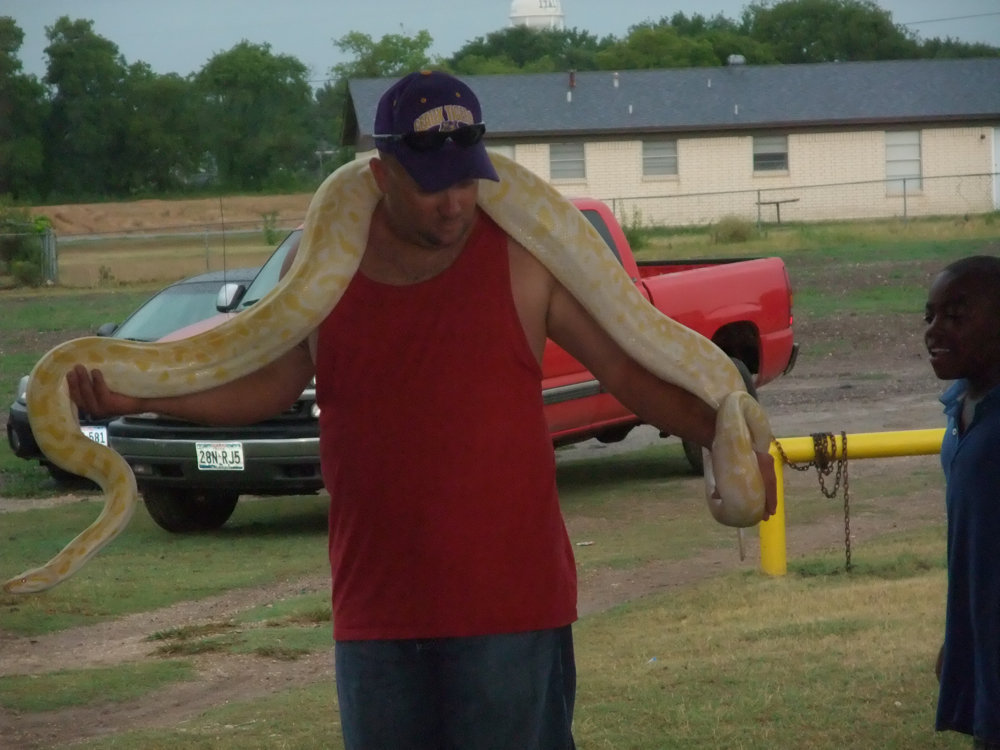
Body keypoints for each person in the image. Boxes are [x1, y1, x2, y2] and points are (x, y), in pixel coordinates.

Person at [67, 70, 777, 749]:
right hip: (376, 612)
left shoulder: (523, 257)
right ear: (380, 174)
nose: (456, 202)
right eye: (434, 185)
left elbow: (624, 366)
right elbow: (272, 383)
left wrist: (725, 430)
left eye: (469, 179)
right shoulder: (319, 272)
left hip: (511, 612)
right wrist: (142, 395)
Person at [925, 255, 1000, 749]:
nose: (934, 330)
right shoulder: (961, 409)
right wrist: (960, 640)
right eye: (929, 315)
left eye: (956, 315)